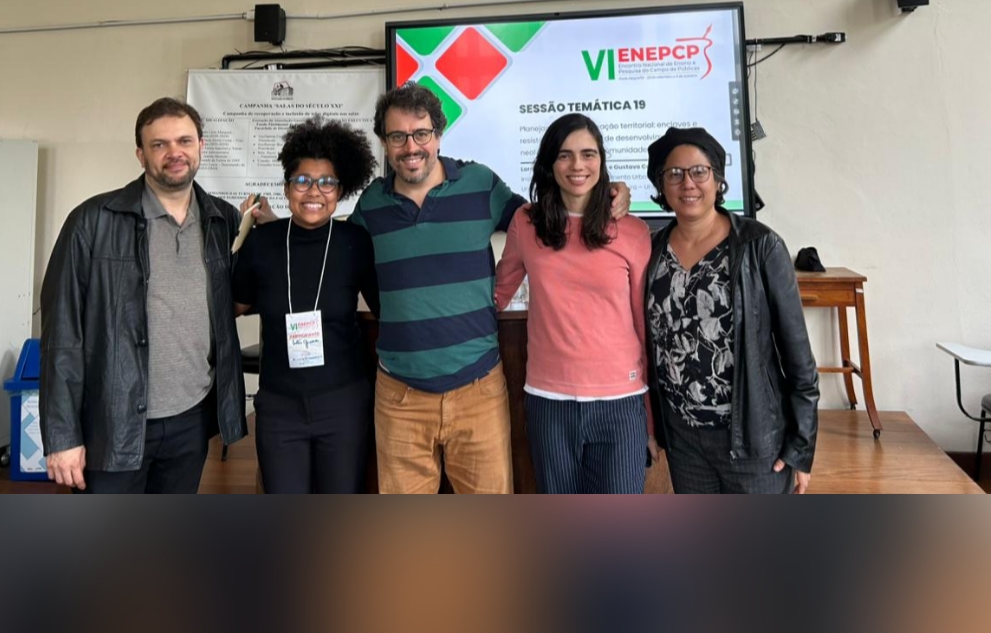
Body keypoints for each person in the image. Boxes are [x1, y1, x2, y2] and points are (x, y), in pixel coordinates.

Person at [349, 82, 631, 494]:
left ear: (438, 134)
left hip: (478, 392)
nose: (411, 147)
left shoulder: (480, 184)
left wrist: (608, 192)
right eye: (398, 136)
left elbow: (549, 217)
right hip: (399, 398)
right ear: (383, 141)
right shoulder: (370, 205)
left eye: (421, 133)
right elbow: (342, 257)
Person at [40, 97, 247, 493]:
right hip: (112, 423)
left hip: (191, 418)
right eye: (159, 144)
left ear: (201, 146)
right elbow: (61, 334)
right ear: (141, 154)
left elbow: (238, 301)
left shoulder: (223, 220)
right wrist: (63, 435)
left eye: (184, 141)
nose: (174, 153)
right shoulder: (92, 222)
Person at [643, 126, 818, 494]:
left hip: (753, 439)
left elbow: (798, 354)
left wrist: (801, 445)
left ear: (718, 179)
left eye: (699, 171)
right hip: (683, 440)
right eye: (674, 174)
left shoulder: (760, 245)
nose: (687, 183)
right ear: (661, 185)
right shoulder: (652, 250)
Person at [494, 113, 655, 493]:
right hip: (549, 402)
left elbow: (643, 326)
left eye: (588, 154)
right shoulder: (526, 223)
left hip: (620, 402)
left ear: (601, 160)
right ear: (549, 164)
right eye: (564, 155)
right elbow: (498, 294)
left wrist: (650, 420)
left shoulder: (633, 231)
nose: (577, 165)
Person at [232, 117, 380, 493]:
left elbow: (385, 308)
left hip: (343, 405)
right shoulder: (261, 243)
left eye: (327, 182)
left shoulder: (355, 242)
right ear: (286, 187)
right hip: (279, 408)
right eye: (302, 180)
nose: (314, 191)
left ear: (340, 190)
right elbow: (233, 305)